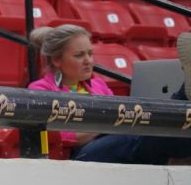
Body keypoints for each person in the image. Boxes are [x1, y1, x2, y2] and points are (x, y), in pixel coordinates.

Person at [28, 25, 191, 164]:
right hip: (76, 156)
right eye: (79, 55)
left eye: (90, 54)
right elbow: (49, 136)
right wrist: (100, 128)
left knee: (158, 135)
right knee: (144, 139)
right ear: (57, 60)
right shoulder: (41, 90)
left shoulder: (99, 84)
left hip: (113, 143)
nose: (88, 61)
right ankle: (184, 91)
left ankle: (184, 96)